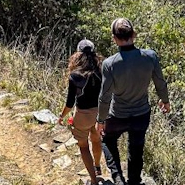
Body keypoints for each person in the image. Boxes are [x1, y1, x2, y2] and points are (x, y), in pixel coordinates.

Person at [97, 18, 170, 185]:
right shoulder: (150, 56)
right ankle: (134, 181)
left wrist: (101, 120)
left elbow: (105, 96)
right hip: (141, 114)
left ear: (114, 38)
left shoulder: (110, 64)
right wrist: (165, 100)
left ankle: (118, 178)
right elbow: (160, 82)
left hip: (117, 115)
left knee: (107, 139)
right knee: (136, 148)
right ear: (134, 35)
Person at [59, 39, 105, 185]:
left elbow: (70, 103)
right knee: (96, 139)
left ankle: (93, 180)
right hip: (100, 113)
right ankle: (97, 166)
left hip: (83, 115)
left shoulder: (75, 76)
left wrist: (61, 116)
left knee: (84, 146)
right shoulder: (102, 70)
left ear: (78, 54)